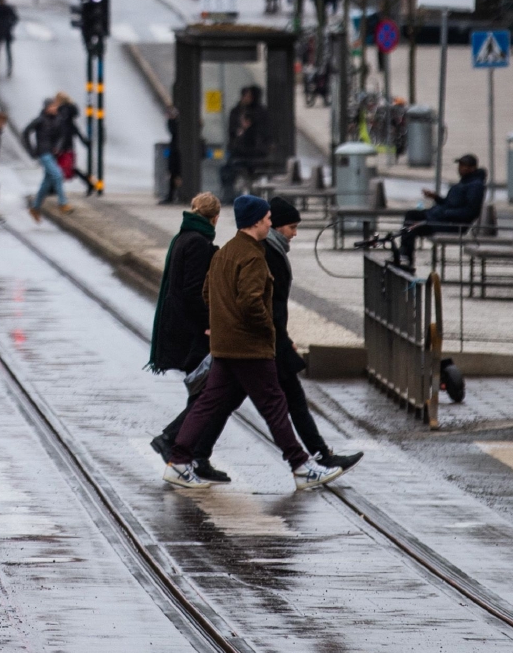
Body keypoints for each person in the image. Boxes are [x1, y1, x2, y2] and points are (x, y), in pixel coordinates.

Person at [162, 195, 344, 492]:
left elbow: (208, 293)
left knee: (208, 402)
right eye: (269, 219)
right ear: (258, 221)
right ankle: (300, 465)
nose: (271, 223)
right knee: (273, 404)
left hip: (225, 345)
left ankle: (179, 460)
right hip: (249, 346)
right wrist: (266, 330)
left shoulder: (225, 252)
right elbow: (251, 302)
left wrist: (222, 324)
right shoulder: (252, 256)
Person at [195, 198, 360, 471]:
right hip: (258, 342)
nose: (294, 233)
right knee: (286, 401)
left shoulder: (271, 251)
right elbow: (257, 303)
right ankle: (313, 457)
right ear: (269, 225)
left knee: (222, 401)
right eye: (290, 227)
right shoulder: (263, 254)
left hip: (258, 340)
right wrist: (275, 336)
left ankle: (194, 452)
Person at [146, 192, 230, 484]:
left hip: (182, 327)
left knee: (203, 394)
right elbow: (195, 291)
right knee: (207, 395)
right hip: (192, 332)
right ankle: (171, 440)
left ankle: (195, 455)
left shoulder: (185, 236)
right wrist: (210, 324)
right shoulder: (197, 242)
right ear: (215, 217)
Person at [398, 154, 488, 262]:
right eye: (460, 165)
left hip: (452, 225)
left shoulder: (475, 186)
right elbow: (449, 203)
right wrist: (436, 198)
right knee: (411, 215)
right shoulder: (465, 182)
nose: (460, 168)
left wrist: (446, 213)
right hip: (441, 219)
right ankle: (404, 253)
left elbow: (470, 211)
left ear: (473, 168)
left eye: (464, 166)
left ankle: (406, 257)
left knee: (413, 227)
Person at [23, 97, 70, 222]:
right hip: (43, 153)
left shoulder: (58, 119)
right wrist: (32, 151)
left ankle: (35, 207)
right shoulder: (40, 120)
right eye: (52, 106)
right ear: (46, 108)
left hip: (52, 154)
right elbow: (26, 132)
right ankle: (62, 203)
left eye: (55, 106)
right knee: (58, 175)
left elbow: (62, 136)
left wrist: (58, 147)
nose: (55, 108)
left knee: (47, 182)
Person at [222, 85, 270, 201]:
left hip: (256, 154)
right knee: (226, 172)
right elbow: (232, 132)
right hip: (239, 153)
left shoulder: (260, 113)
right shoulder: (236, 111)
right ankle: (230, 196)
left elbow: (264, 134)